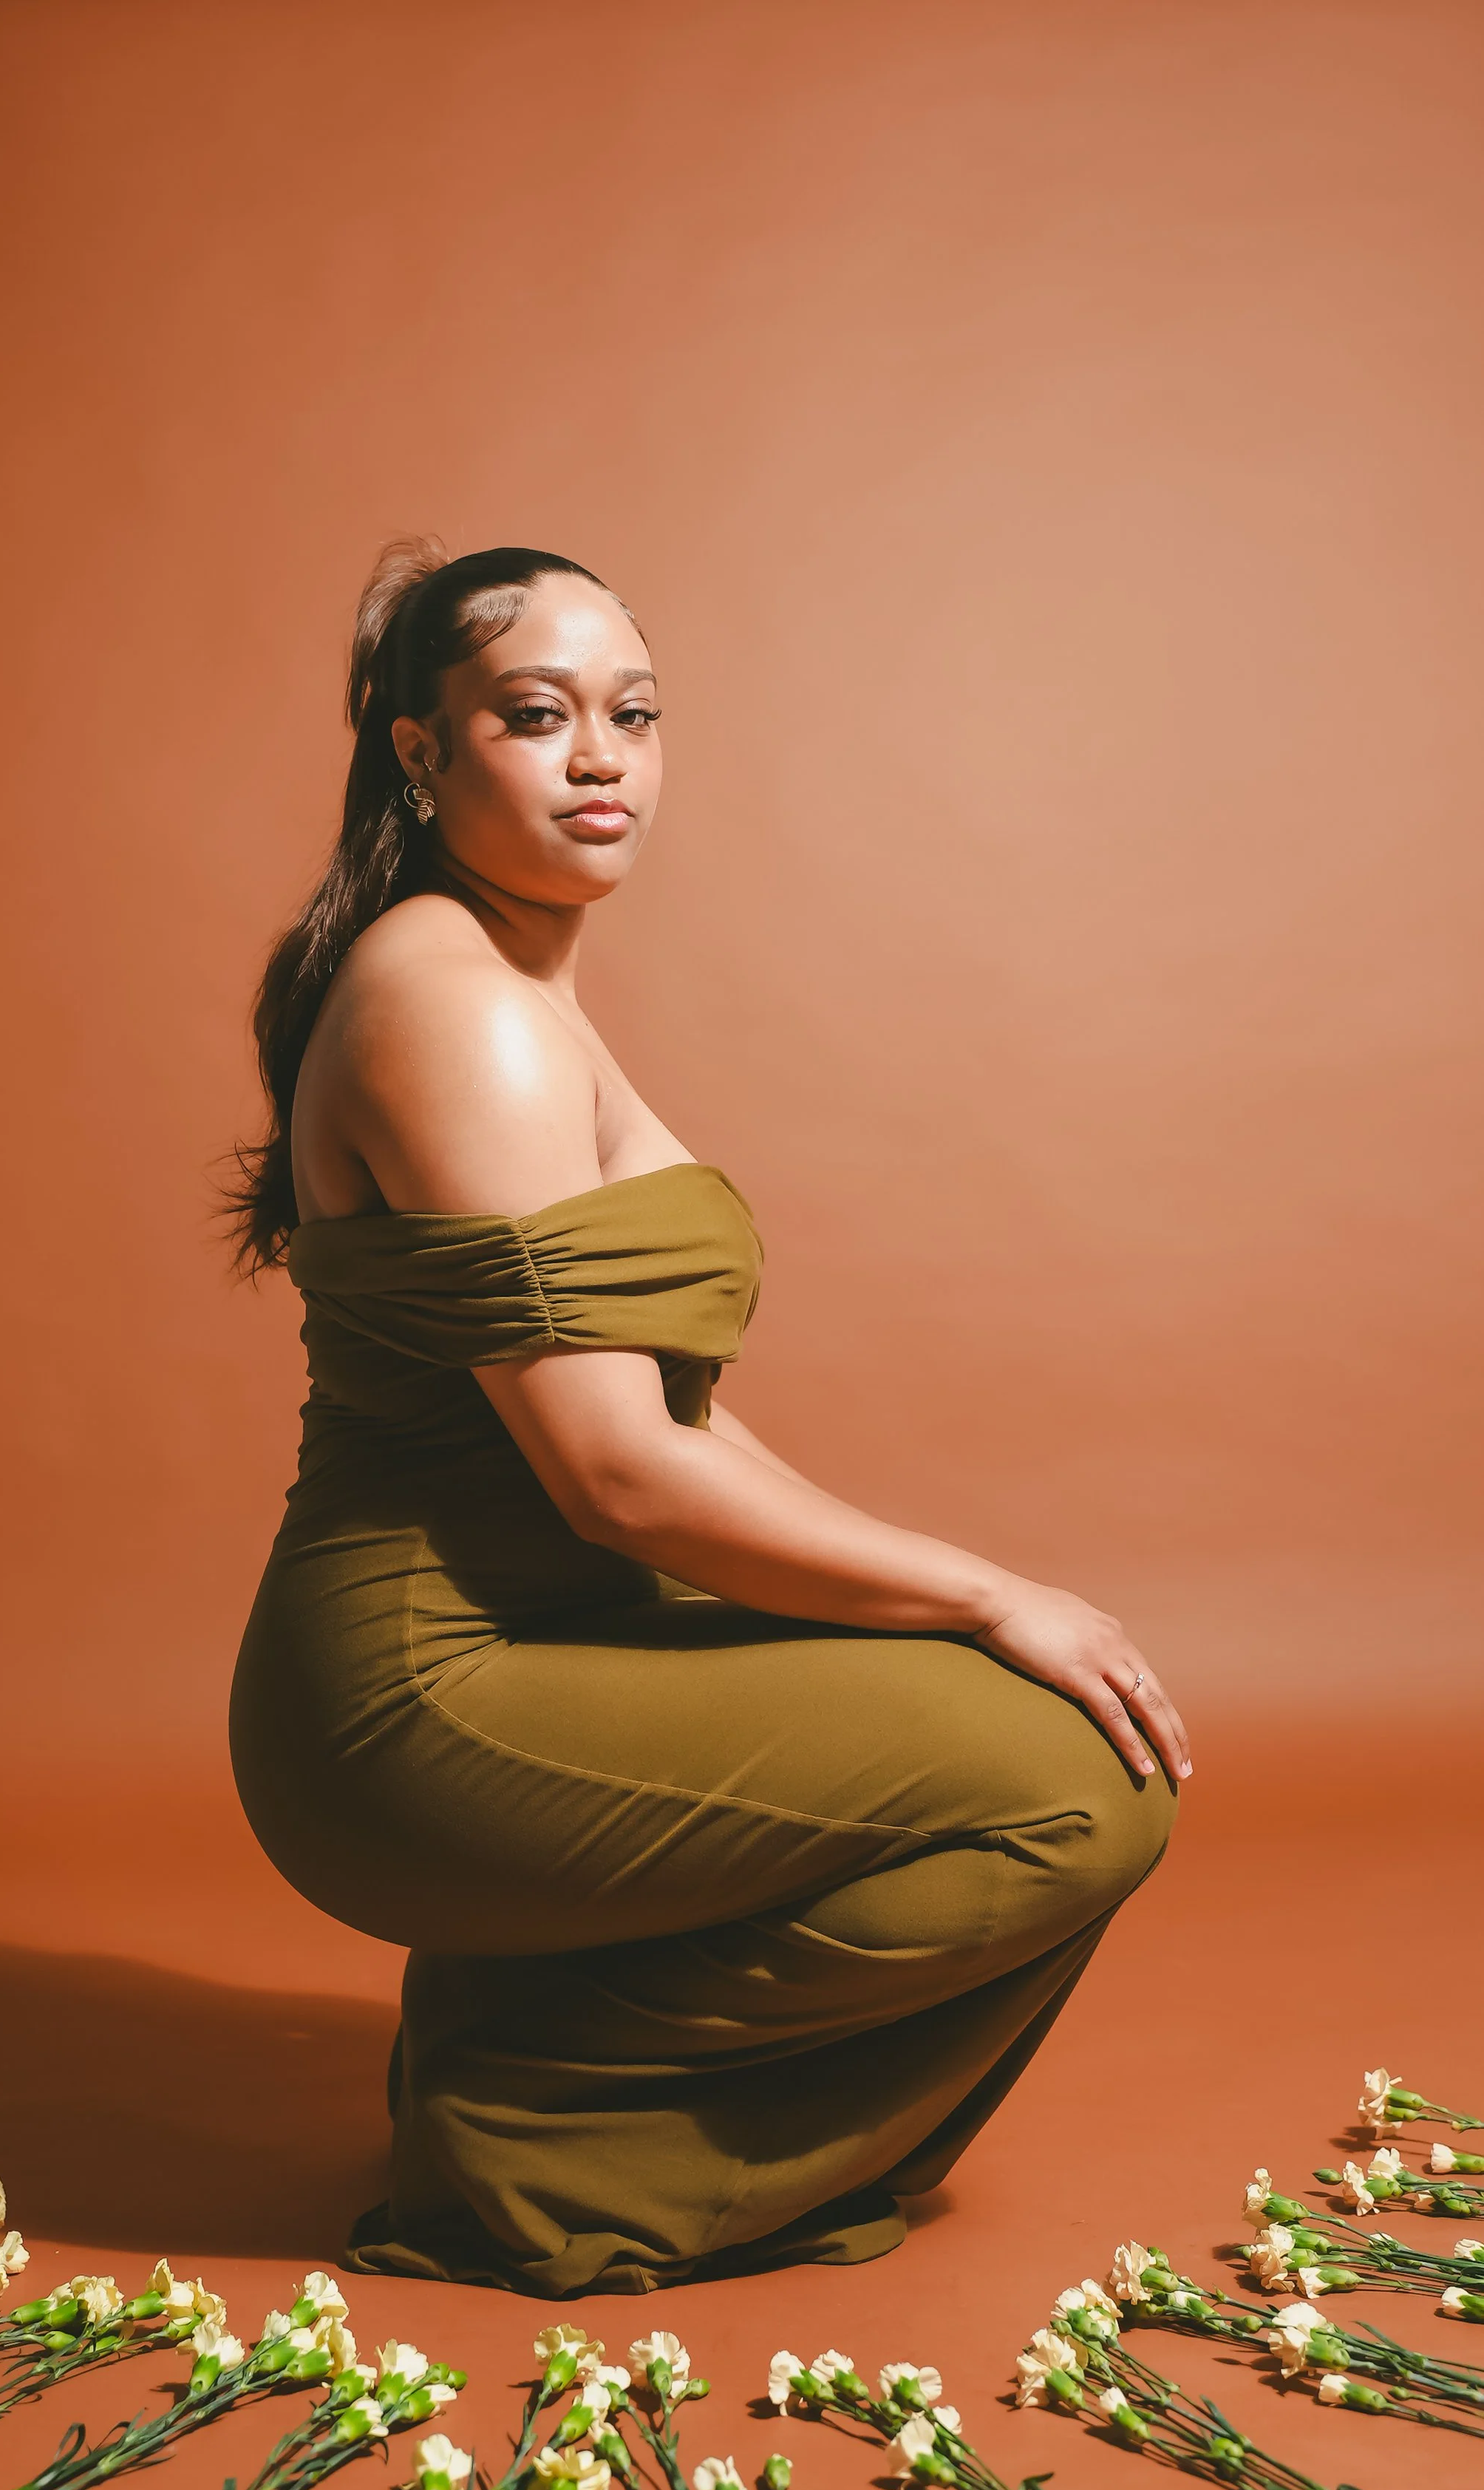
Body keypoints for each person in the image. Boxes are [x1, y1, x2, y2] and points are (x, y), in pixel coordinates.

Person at [226, 537, 1186, 2297]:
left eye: (635, 714)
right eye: (536, 715)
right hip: (417, 1694)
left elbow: (669, 1410)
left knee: (1015, 1693)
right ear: (418, 751)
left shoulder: (506, 976)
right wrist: (987, 1592)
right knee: (1074, 1781)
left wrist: (935, 1591)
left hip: (553, 1624)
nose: (601, 758)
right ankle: (532, 2112)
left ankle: (525, 2044)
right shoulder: (455, 1006)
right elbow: (613, 1471)